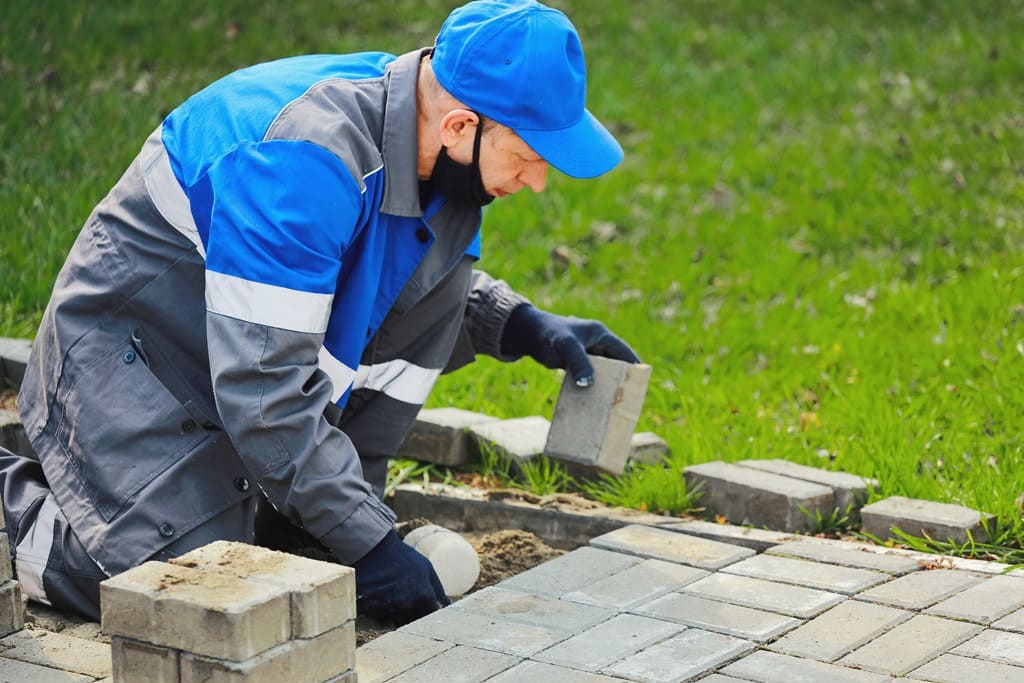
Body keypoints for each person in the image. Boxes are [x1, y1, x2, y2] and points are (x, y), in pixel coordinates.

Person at [0, 0, 638, 626]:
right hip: (128, 357)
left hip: (227, 360)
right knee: (184, 590)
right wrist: (373, 547)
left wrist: (516, 324)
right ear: (460, 127)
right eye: (528, 158)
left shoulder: (435, 162)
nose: (536, 182)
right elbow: (264, 390)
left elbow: (393, 283)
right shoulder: (302, 159)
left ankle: (314, 514)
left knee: (277, 567)